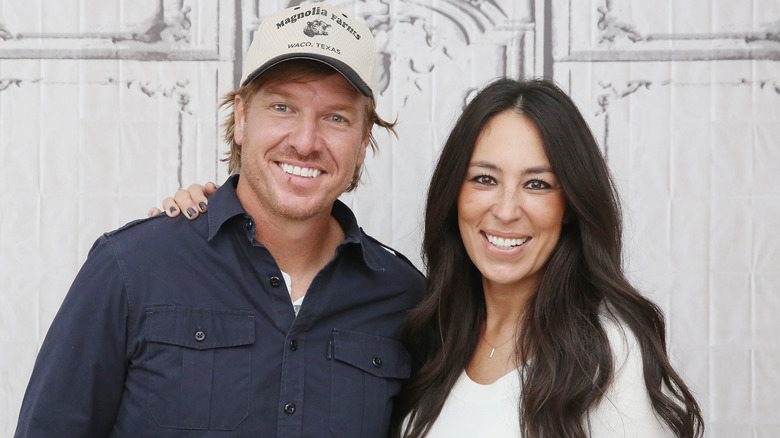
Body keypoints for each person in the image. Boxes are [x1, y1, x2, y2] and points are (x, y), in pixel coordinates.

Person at [163, 78, 705, 437]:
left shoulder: (604, 353)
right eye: (485, 180)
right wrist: (213, 219)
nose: (507, 209)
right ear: (456, 196)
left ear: (570, 206)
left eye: (538, 184)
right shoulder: (430, 327)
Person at [14, 3, 424, 437]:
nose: (305, 142)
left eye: (335, 118)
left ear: (362, 143)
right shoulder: (133, 267)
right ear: (243, 118)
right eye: (283, 108)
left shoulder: (406, 300)